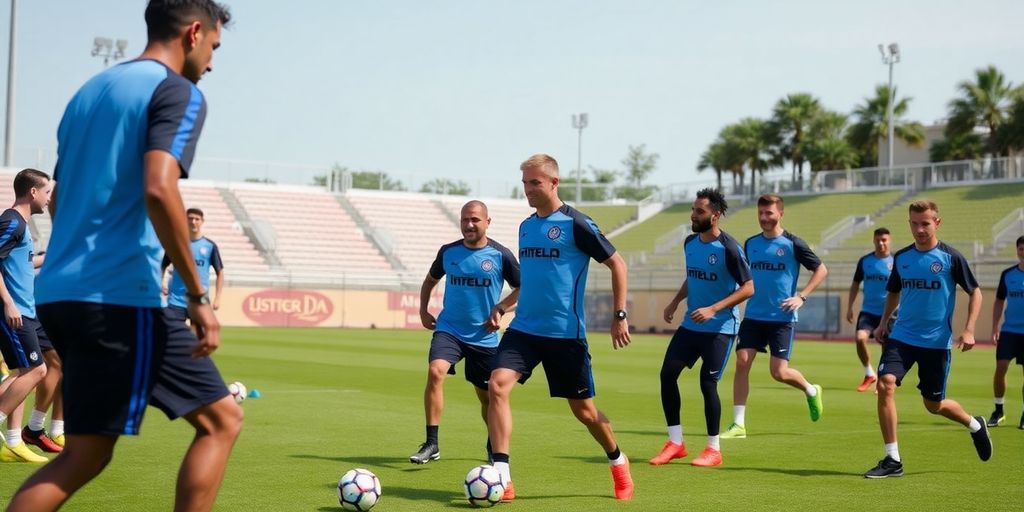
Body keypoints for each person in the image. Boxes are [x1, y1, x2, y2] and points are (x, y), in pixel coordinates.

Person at [6, 2, 243, 511]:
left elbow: (63, 196)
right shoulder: (178, 90)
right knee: (223, 420)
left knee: (85, 454)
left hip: (59, 295)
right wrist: (199, 297)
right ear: (195, 32)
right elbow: (159, 189)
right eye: (214, 48)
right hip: (116, 296)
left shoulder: (88, 93)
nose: (212, 63)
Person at [487, 154, 634, 501]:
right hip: (524, 330)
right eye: (524, 183)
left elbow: (618, 263)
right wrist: (504, 305)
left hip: (565, 335)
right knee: (497, 385)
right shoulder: (525, 227)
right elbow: (532, 282)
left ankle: (617, 458)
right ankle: (502, 475)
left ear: (554, 183)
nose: (528, 190)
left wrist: (619, 314)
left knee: (584, 412)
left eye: (535, 182)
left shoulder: (577, 224)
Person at [866, 200, 991, 478]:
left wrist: (969, 329)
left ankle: (974, 424)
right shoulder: (902, 258)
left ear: (937, 222)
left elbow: (976, 292)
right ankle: (892, 459)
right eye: (914, 223)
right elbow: (894, 292)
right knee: (885, 384)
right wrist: (883, 323)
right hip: (902, 337)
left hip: (936, 342)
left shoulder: (950, 258)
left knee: (933, 406)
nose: (920, 229)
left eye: (925, 223)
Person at [409, 200, 520, 465]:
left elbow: (524, 288)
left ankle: (494, 445)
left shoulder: (500, 255)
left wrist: (502, 309)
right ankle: (432, 443)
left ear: (487, 222)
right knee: (436, 371)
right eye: (464, 220)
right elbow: (430, 281)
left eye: (475, 220)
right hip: (450, 330)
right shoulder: (448, 252)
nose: (469, 225)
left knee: (487, 396)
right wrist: (423, 310)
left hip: (484, 336)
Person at [651, 188, 753, 468]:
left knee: (707, 384)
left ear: (715, 216)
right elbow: (692, 278)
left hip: (721, 328)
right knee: (667, 374)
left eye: (700, 211)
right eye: (693, 210)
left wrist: (713, 309)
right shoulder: (689, 243)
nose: (693, 215)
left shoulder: (730, 248)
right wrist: (674, 301)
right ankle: (675, 442)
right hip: (690, 326)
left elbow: (748, 288)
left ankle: (713, 449)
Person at [720, 194, 827, 439]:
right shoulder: (750, 244)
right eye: (761, 213)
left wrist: (802, 297)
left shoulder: (793, 244)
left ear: (781, 213)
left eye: (769, 213)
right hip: (754, 316)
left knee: (778, 373)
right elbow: (743, 278)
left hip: (782, 319)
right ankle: (738, 425)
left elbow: (821, 269)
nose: (764, 218)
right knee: (742, 362)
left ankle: (811, 390)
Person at [0, 169, 54, 463]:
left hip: (26, 311)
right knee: (37, 371)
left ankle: (13, 440)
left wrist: (52, 257)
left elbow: (24, 262)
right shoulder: (11, 221)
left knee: (26, 372)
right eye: (46, 192)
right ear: (33, 192)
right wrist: (8, 302)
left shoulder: (22, 225)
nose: (49, 198)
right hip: (13, 311)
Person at [846, 227, 893, 392]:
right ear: (873, 241)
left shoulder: (896, 262)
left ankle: (882, 380)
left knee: (885, 346)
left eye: (884, 240)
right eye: (878, 240)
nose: (881, 243)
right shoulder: (865, 261)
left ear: (890, 241)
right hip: (868, 311)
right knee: (860, 338)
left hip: (888, 314)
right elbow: (855, 284)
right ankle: (869, 373)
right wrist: (850, 307)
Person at [162, 207, 225, 320]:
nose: (193, 222)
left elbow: (220, 272)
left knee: (199, 336)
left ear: (202, 221)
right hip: (176, 300)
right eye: (190, 218)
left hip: (200, 300)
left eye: (197, 219)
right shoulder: (176, 244)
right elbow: (163, 266)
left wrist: (218, 298)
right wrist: (161, 285)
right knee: (173, 335)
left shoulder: (210, 246)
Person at [988, 235, 1024, 429]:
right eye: (1021, 249)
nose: (1023, 252)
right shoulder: (1008, 274)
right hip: (1009, 331)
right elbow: (999, 301)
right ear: (1017, 250)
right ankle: (998, 410)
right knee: (1001, 367)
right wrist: (995, 327)